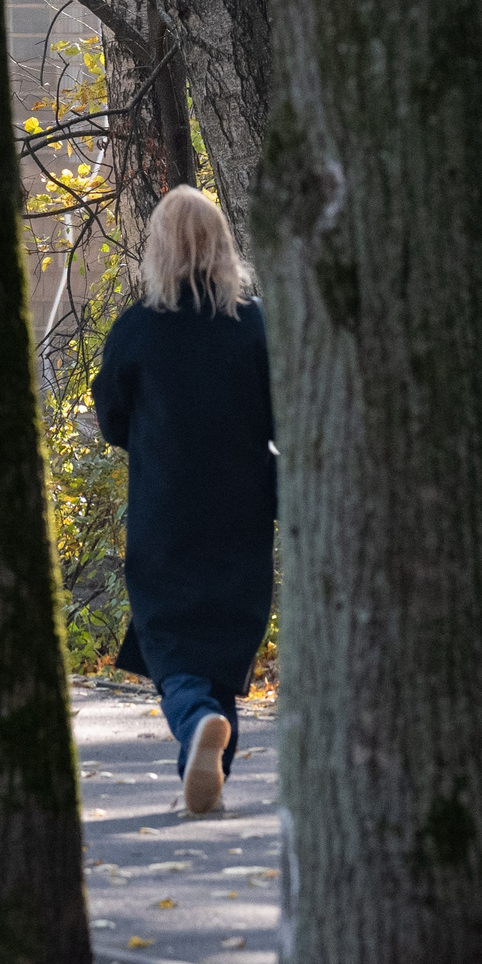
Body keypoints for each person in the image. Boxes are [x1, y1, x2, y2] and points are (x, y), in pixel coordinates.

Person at [90, 186, 277, 814]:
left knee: (172, 648)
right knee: (221, 648)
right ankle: (207, 787)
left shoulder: (139, 328)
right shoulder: (252, 324)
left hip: (165, 511)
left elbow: (112, 416)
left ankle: (196, 722)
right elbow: (285, 416)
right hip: (244, 514)